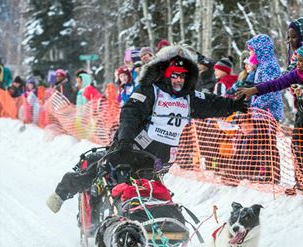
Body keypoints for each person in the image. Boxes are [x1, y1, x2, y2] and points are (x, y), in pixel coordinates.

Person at [46, 45, 248, 213]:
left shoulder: (189, 97)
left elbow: (212, 103)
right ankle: (63, 191)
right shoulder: (150, 90)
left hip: (161, 158)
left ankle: (147, 225)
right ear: (164, 74)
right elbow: (130, 114)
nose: (179, 80)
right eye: (174, 75)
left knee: (149, 192)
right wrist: (124, 140)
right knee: (101, 170)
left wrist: (234, 105)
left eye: (183, 76)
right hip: (134, 148)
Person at [236, 43, 303, 190]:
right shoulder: (298, 73)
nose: (298, 64)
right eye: (297, 60)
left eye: (301, 60)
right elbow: (276, 84)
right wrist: (254, 90)